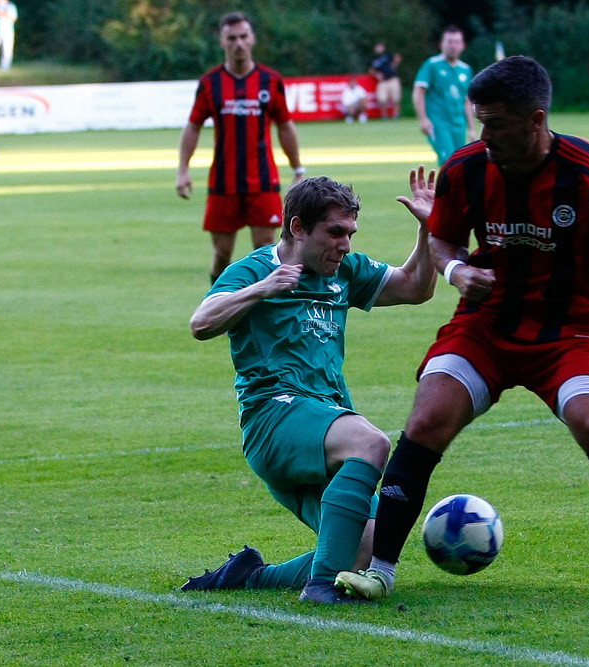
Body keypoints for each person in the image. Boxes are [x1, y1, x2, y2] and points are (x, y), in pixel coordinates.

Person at [337, 56, 589, 604]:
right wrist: (456, 270)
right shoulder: (466, 168)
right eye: (479, 122)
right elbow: (442, 239)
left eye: (495, 124)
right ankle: (381, 570)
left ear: (536, 120)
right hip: (485, 328)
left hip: (571, 332)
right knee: (427, 417)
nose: (483, 135)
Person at [183, 167, 438, 604]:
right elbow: (201, 323)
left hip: (322, 423)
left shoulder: (345, 272)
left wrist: (429, 232)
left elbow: (416, 287)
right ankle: (320, 589)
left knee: (369, 547)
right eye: (335, 232)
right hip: (274, 419)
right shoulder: (256, 270)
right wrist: (260, 290)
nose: (346, 244)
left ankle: (251, 575)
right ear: (297, 228)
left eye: (351, 233)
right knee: (371, 443)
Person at [176, 12, 306, 286]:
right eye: (232, 38)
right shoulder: (210, 83)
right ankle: (217, 303)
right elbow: (193, 127)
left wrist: (297, 168)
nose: (239, 43)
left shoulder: (269, 81)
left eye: (244, 36)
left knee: (266, 249)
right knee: (222, 253)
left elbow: (285, 126)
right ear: (222, 41)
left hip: (262, 181)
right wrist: (183, 170)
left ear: (252, 39)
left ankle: (264, 314)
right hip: (224, 183)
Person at [412, 25, 476, 166]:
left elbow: (467, 101)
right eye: (449, 41)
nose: (453, 46)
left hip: (459, 124)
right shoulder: (432, 65)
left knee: (460, 162)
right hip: (438, 122)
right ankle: (445, 188)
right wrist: (423, 119)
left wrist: (472, 129)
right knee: (449, 161)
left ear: (463, 45)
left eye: (457, 42)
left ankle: (455, 188)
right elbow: (419, 91)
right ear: (442, 44)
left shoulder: (465, 69)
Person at [369, 42, 402, 120]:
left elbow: (397, 57)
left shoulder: (388, 55)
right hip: (383, 81)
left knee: (396, 99)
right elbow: (371, 70)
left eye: (381, 47)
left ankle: (396, 115)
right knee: (382, 99)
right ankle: (384, 116)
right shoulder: (374, 59)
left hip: (393, 79)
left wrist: (394, 65)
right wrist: (377, 75)